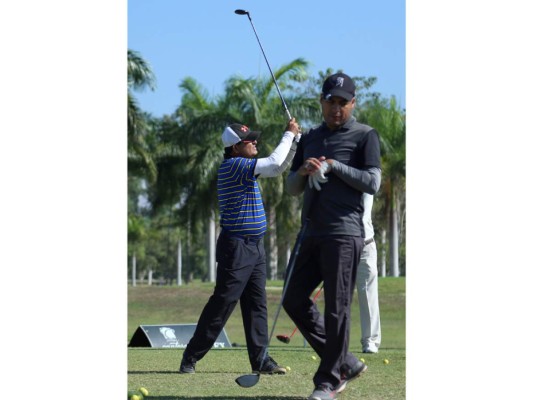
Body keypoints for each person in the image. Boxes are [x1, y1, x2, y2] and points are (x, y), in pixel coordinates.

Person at [283, 72, 381, 400]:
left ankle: (328, 380)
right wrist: (302, 171)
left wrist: (336, 166)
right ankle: (345, 362)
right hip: (310, 231)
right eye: (331, 102)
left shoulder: (365, 135)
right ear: (321, 102)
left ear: (353, 103)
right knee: (292, 297)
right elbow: (292, 188)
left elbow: (372, 183)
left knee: (337, 308)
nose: (336, 108)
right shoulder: (310, 138)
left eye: (343, 102)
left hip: (344, 233)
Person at [179, 119, 300, 376]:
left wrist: (293, 144)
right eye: (249, 141)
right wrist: (289, 135)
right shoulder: (234, 166)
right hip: (236, 248)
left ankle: (261, 361)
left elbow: (278, 168)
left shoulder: (245, 167)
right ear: (235, 148)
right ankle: (191, 355)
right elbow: (273, 163)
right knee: (223, 303)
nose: (255, 142)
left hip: (255, 247)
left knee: (257, 305)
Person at [357, 193, 381, 354]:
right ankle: (333, 340)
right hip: (341, 245)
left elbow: (362, 214)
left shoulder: (367, 182)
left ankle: (370, 340)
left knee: (367, 293)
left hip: (365, 244)